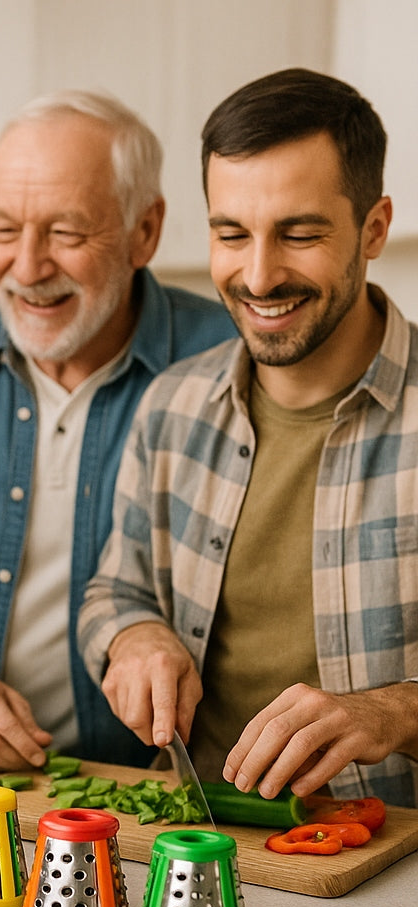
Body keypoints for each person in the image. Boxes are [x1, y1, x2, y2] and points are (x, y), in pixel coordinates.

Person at [0, 90, 234, 773]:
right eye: (5, 230)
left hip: (166, 791)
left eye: (65, 233)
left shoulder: (225, 361)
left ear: (145, 231)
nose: (27, 268)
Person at [78, 67, 418, 808]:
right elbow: (115, 589)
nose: (259, 276)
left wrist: (395, 711)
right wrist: (135, 636)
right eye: (232, 234)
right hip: (201, 844)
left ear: (375, 228)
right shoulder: (171, 409)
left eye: (299, 234)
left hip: (392, 866)